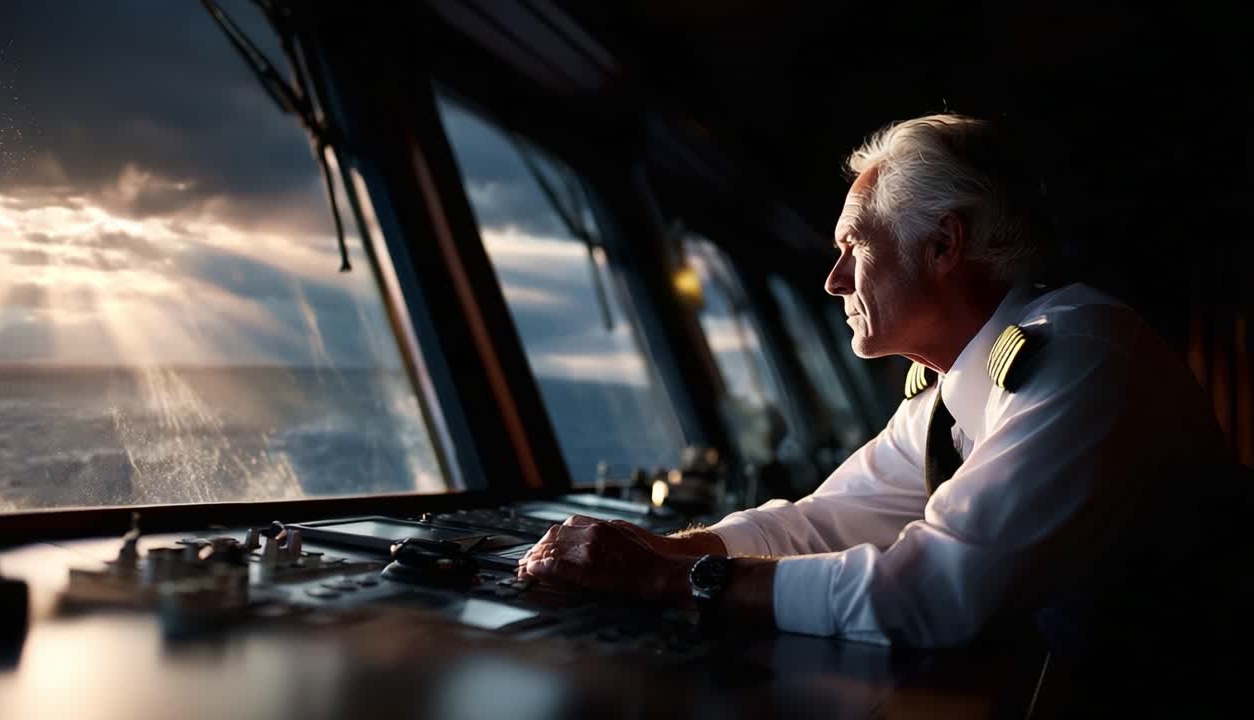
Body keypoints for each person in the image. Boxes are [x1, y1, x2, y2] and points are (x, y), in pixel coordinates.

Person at [517, 114, 1229, 654]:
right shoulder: (949, 392)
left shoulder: (1082, 356)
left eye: (853, 246)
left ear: (944, 245)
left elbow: (940, 593)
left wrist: (663, 583)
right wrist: (650, 551)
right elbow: (815, 523)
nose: (833, 281)